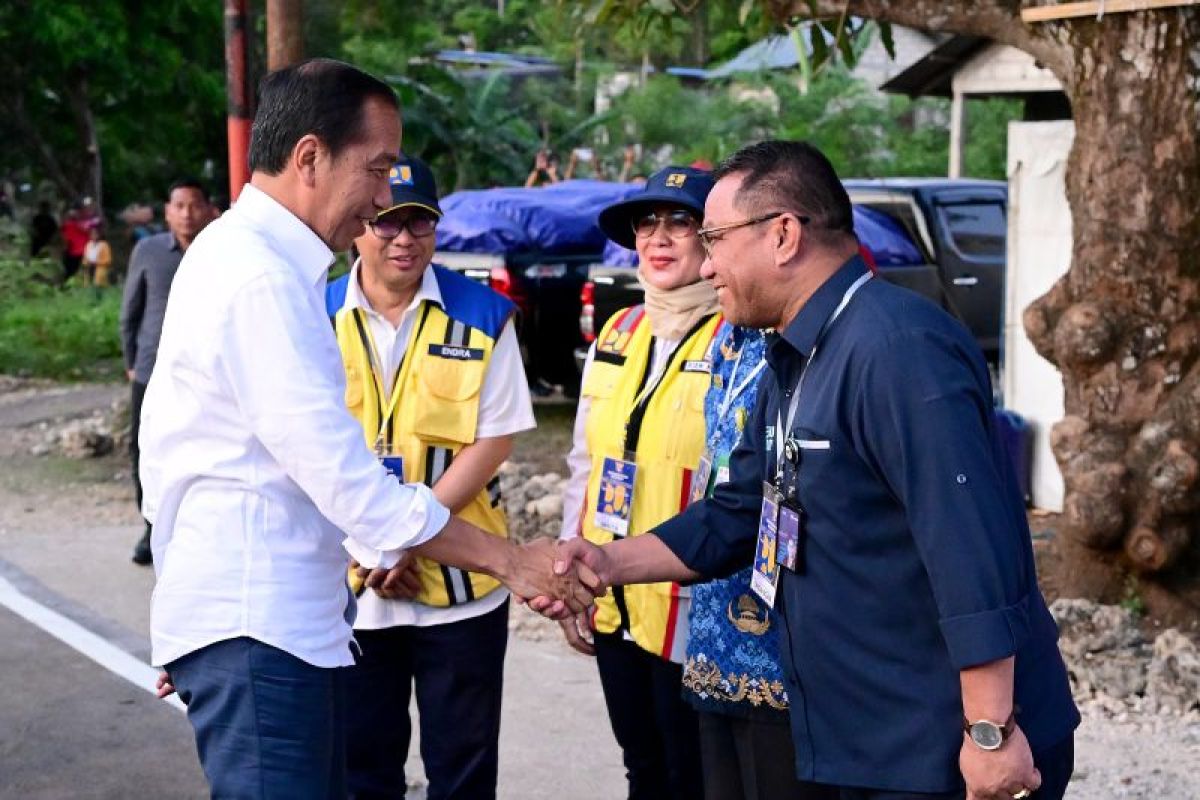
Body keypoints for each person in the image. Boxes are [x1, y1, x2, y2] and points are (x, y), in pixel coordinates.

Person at [552, 140, 1079, 800]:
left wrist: (990, 730)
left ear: (782, 235)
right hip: (863, 735)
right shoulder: (794, 353)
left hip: (943, 741)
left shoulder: (897, 348)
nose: (707, 263)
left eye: (714, 238)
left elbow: (971, 550)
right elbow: (739, 511)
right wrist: (606, 563)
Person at [139, 58, 596, 800]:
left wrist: (193, 603)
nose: (385, 198)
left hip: (270, 620)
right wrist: (511, 561)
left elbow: (171, 457)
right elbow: (352, 488)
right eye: (377, 169)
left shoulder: (256, 266)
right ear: (310, 157)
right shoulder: (259, 279)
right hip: (263, 627)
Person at [328, 155, 536, 799]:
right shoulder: (312, 312)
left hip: (462, 588)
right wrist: (375, 547)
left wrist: (399, 541)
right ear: (361, 224)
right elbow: (299, 449)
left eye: (419, 223)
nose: (403, 239)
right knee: (362, 771)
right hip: (349, 585)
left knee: (465, 773)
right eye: (387, 223)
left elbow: (492, 440)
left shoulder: (484, 314)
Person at [558, 165, 722, 800]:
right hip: (615, 595)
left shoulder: (741, 338)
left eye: (680, 221)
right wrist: (573, 579)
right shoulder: (618, 331)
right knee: (643, 769)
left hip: (695, 610)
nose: (659, 237)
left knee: (694, 776)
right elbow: (584, 462)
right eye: (647, 223)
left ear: (714, 238)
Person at [683, 320, 826, 800]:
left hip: (781, 648)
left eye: (713, 240)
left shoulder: (815, 341)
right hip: (714, 631)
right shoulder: (728, 337)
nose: (709, 265)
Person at [119, 178, 212, 566]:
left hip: (204, 374)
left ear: (208, 209)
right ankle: (152, 525)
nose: (187, 214)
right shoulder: (149, 250)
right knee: (144, 448)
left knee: (200, 448)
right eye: (179, 205)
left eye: (194, 205)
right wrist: (130, 360)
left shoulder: (219, 250)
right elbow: (131, 309)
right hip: (150, 369)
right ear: (167, 211)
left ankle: (194, 529)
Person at [60, 202, 91, 283]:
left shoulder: (85, 222)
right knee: (68, 271)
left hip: (83, 252)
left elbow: (87, 229)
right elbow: (63, 233)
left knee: (79, 272)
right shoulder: (68, 224)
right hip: (70, 251)